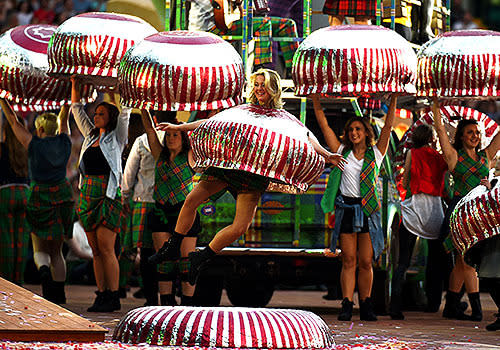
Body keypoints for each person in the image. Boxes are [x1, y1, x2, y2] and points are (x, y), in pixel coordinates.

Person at [150, 69, 345, 286]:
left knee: (240, 226)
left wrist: (327, 155)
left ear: (273, 89)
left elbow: (307, 137)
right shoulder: (243, 109)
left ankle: (202, 256)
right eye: (257, 84)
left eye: (264, 85)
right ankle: (172, 246)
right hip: (229, 166)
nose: (259, 89)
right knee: (191, 200)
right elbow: (209, 124)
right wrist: (179, 127)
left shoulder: (284, 118)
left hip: (253, 175)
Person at [312, 93, 398, 321]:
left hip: (368, 212)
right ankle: (347, 304)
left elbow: (389, 126)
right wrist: (315, 99)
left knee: (366, 261)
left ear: (366, 132)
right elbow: (323, 125)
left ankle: (366, 304)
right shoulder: (341, 152)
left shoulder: (376, 154)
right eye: (351, 130)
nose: (354, 133)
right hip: (347, 209)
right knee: (348, 260)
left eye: (358, 129)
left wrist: (395, 98)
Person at [432, 98, 500, 321]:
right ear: (461, 135)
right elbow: (440, 130)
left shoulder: (486, 156)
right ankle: (477, 310)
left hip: (479, 213)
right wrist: (435, 105)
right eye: (469, 132)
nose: (474, 136)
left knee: (463, 263)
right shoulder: (453, 156)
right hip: (460, 212)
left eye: (477, 132)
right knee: (467, 261)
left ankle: (452, 305)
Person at [1, 99, 74, 303]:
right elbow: (65, 119)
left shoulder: (33, 144)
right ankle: (59, 294)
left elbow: (14, 122)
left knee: (40, 248)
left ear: (40, 127)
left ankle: (43, 273)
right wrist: (67, 102)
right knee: (57, 251)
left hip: (39, 196)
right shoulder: (64, 141)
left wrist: (3, 99)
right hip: (62, 195)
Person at [71, 76, 131, 312]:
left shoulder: (116, 138)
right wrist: (76, 85)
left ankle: (113, 295)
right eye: (96, 113)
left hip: (107, 195)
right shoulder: (90, 136)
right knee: (95, 249)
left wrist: (116, 90)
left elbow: (124, 113)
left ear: (110, 117)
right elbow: (76, 110)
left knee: (107, 248)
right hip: (88, 195)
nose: (96, 117)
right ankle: (102, 292)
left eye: (101, 114)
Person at [140, 109, 201, 306]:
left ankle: (188, 305)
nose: (171, 138)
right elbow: (149, 129)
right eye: (168, 134)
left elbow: (203, 126)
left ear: (183, 138)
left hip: (185, 211)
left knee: (186, 261)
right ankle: (166, 303)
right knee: (163, 261)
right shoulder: (159, 155)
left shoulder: (191, 156)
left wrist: (179, 126)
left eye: (175, 135)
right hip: (160, 212)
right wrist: (142, 106)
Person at [389, 124, 449, 319]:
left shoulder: (411, 154)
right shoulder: (440, 157)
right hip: (435, 209)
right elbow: (446, 181)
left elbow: (405, 180)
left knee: (403, 260)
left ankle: (395, 306)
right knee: (435, 259)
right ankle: (433, 303)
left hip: (415, 206)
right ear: (432, 138)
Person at [187, 0, 299, 73]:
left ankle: (293, 71)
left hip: (227, 26)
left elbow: (241, 15)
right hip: (207, 31)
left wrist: (240, 4)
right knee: (264, 24)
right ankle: (261, 71)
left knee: (287, 25)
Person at [121, 117, 160, 306]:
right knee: (167, 252)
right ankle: (168, 296)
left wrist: (125, 196)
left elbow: (129, 173)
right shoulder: (178, 137)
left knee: (145, 253)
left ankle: (151, 297)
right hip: (170, 202)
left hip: (144, 200)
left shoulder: (142, 140)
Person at [0, 114, 29, 285]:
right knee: (21, 239)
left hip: (4, 192)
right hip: (24, 193)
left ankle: (7, 280)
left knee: (6, 239)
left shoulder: (2, 148)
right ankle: (19, 279)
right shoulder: (26, 148)